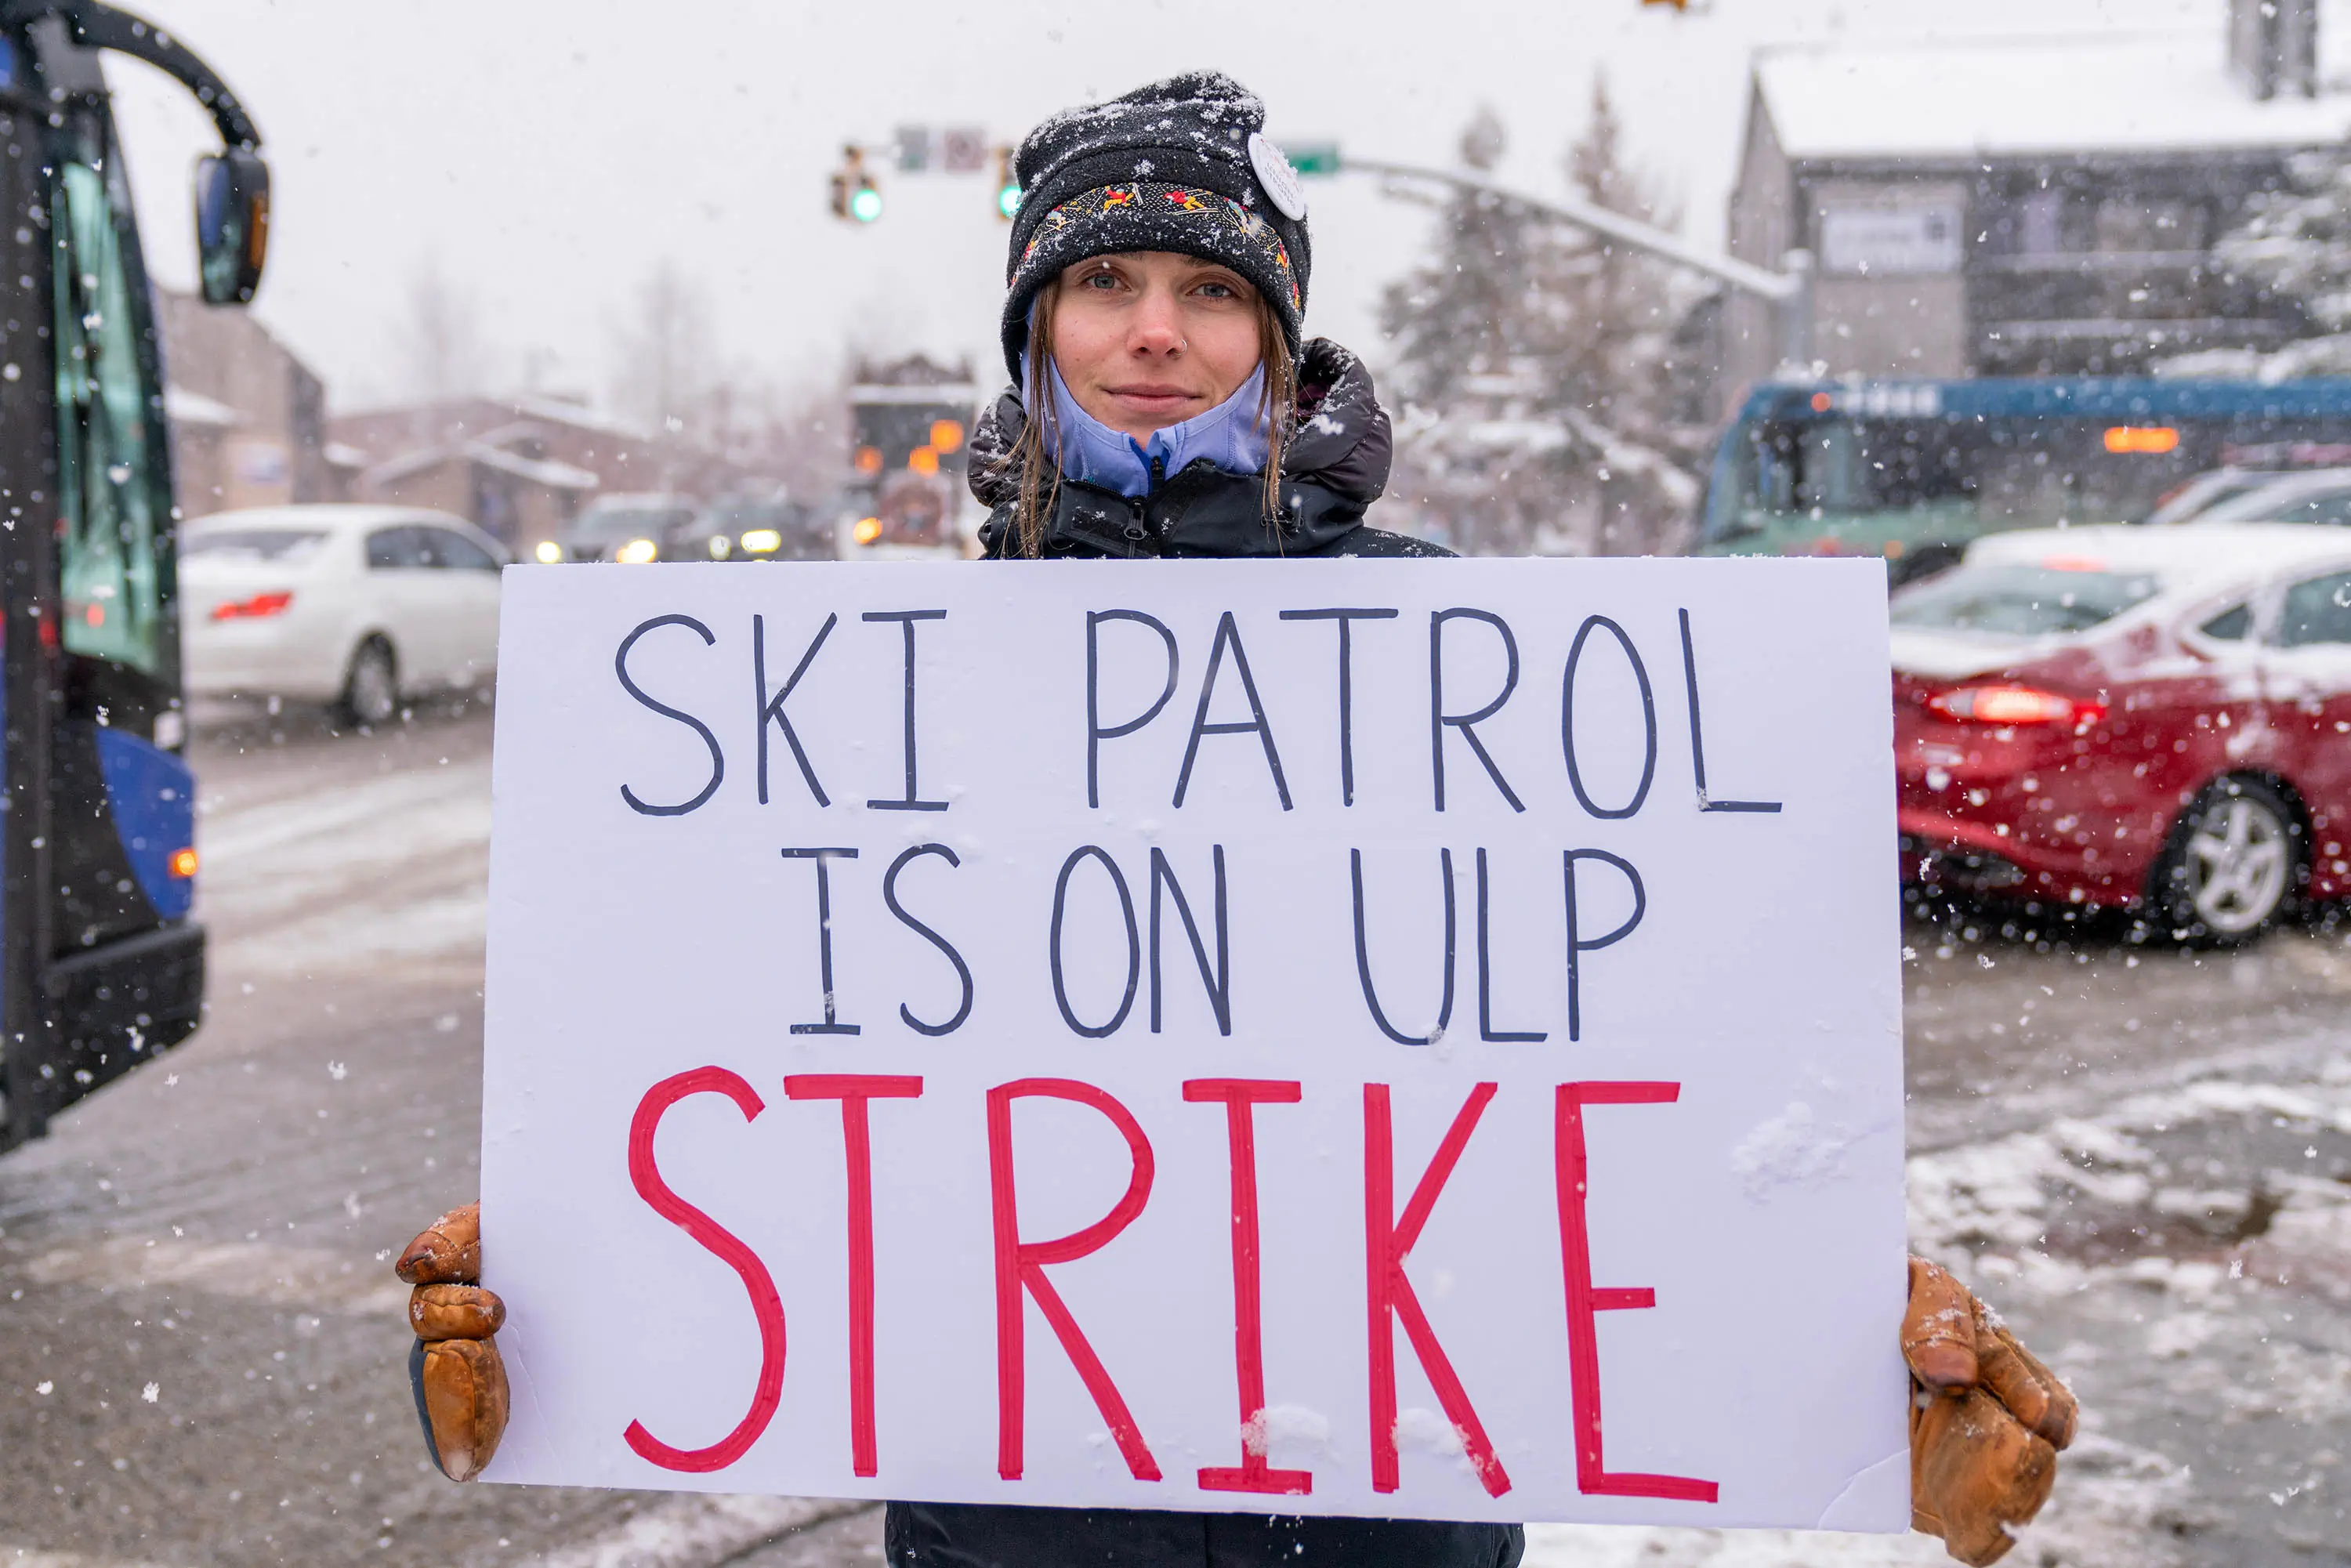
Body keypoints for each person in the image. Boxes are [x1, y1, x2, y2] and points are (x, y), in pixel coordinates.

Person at [397, 73, 2078, 1568]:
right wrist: (584, 1281)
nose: (1154, 331)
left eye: (1210, 290)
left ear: (1276, 340)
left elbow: (1639, 1042)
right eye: (1103, 283)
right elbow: (761, 1034)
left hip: (1387, 1510)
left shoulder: (1456, 654)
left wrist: (1831, 1352)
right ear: (1035, 329)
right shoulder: (888, 687)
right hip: (1016, 1518)